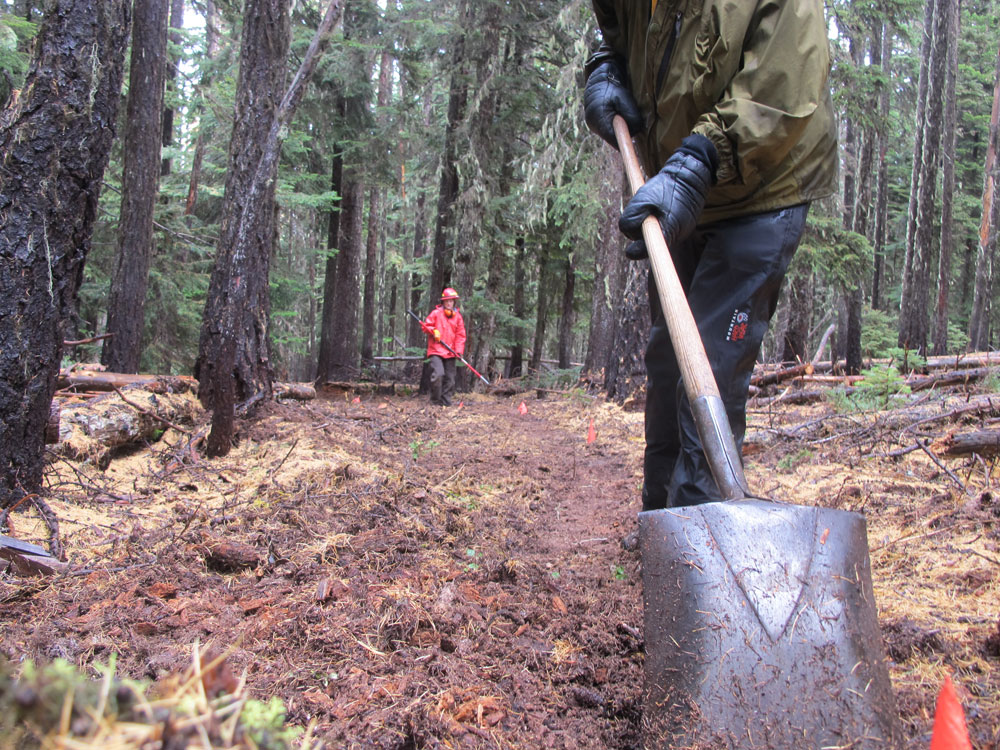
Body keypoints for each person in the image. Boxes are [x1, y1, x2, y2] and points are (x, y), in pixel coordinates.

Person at [584, 1, 837, 510]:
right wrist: (604, 66)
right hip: (675, 190)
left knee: (712, 362)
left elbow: (781, 84)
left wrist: (699, 161)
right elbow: (615, 25)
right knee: (669, 357)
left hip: (760, 188)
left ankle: (699, 535)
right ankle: (661, 521)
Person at [420, 288, 467, 406]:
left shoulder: (458, 317)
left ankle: (446, 403)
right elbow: (425, 326)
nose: (449, 303)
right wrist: (433, 330)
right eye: (447, 301)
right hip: (436, 351)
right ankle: (435, 401)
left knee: (450, 379)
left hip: (451, 352)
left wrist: (459, 351)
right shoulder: (436, 314)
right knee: (438, 374)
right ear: (443, 302)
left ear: (454, 302)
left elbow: (460, 336)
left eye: (451, 301)